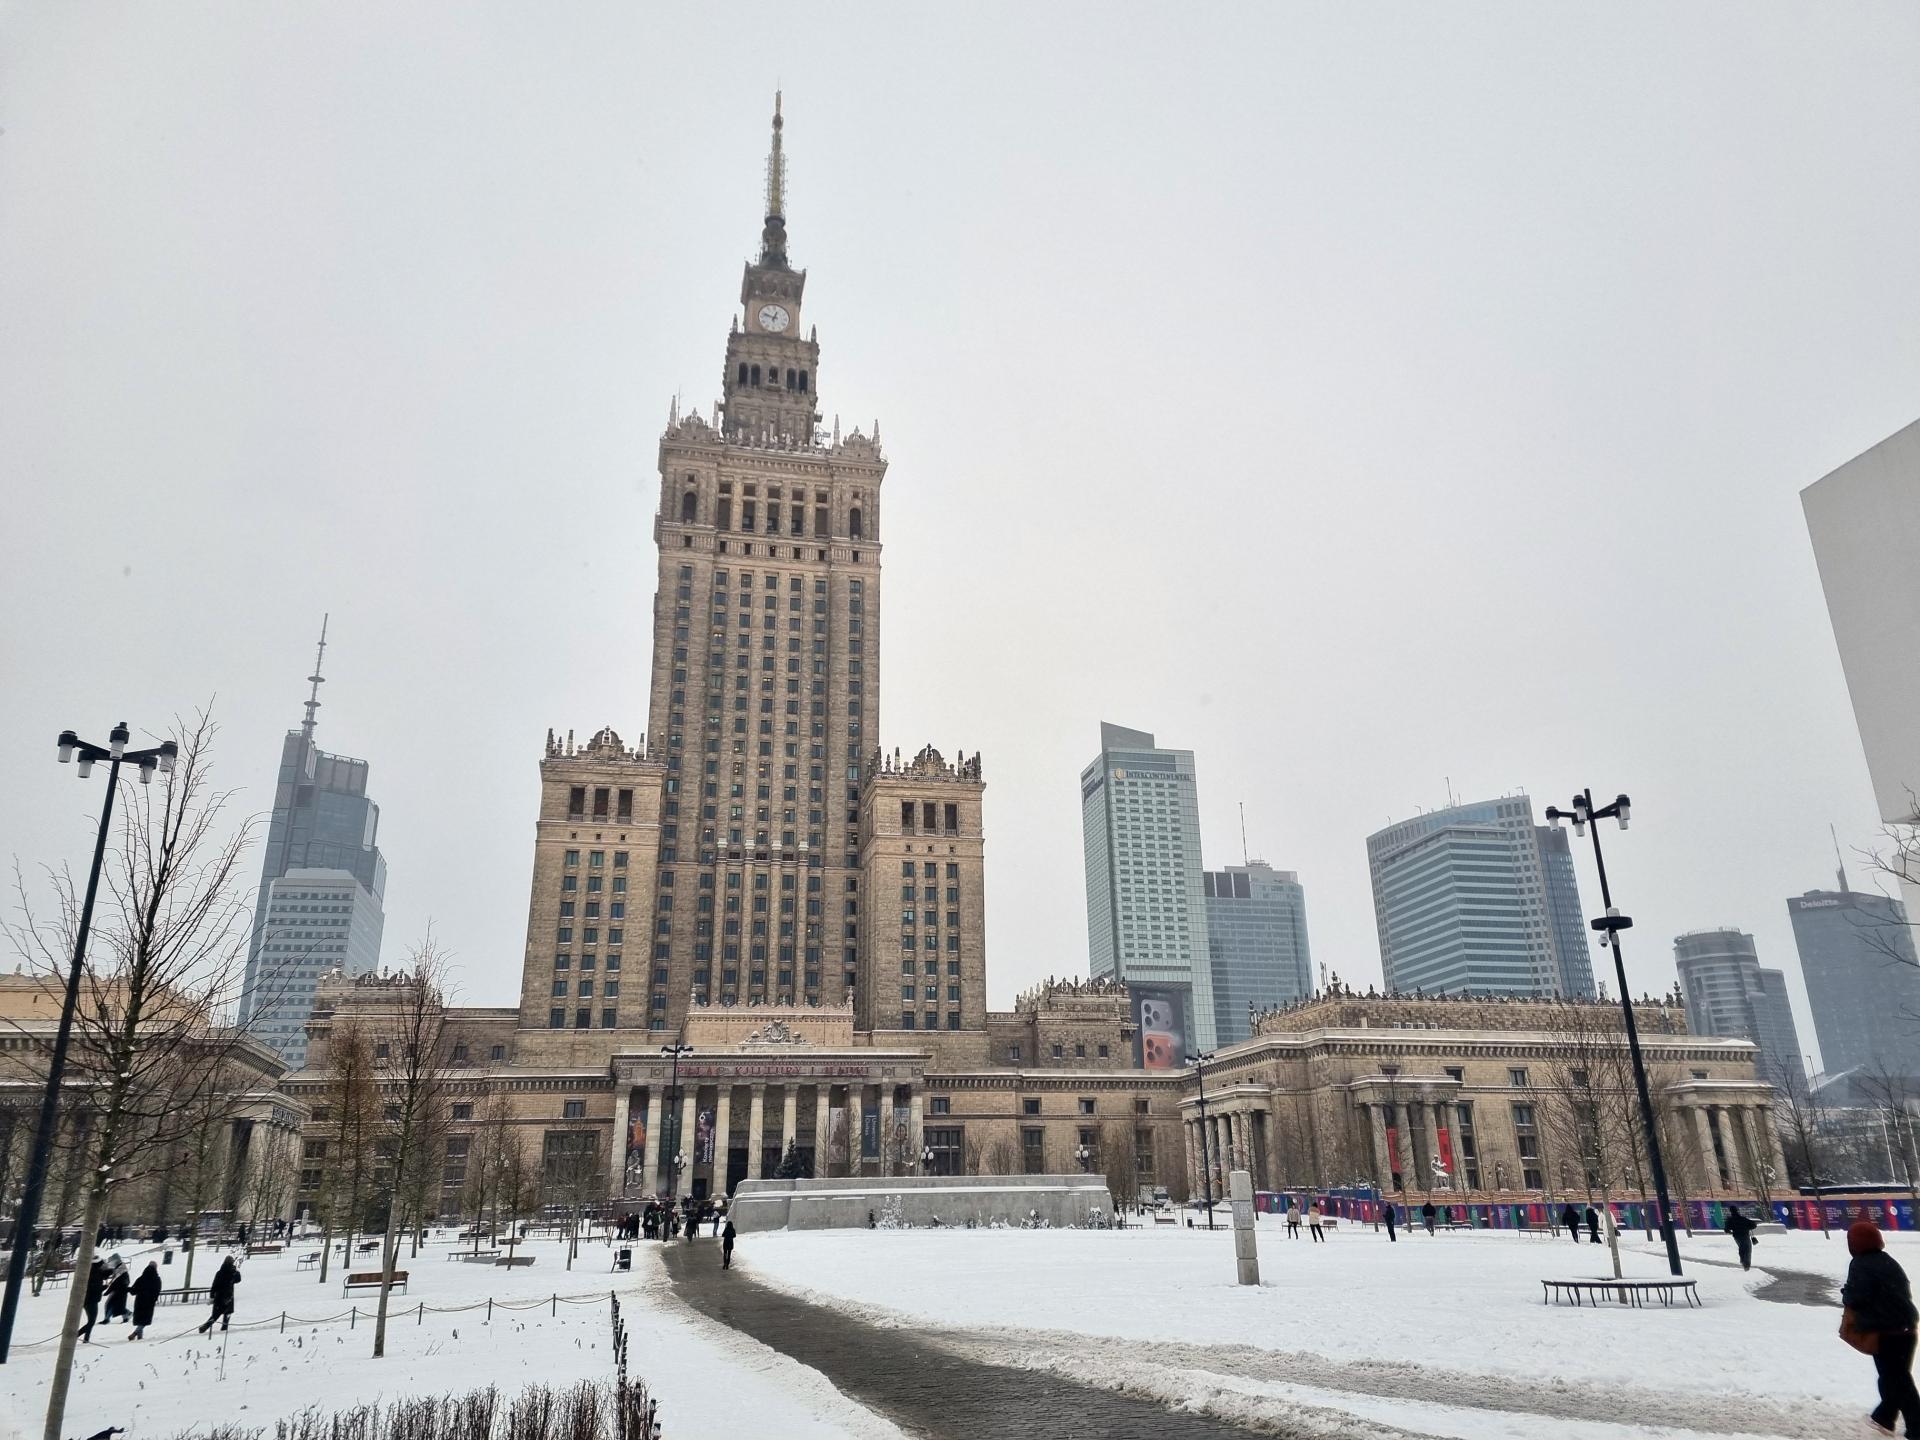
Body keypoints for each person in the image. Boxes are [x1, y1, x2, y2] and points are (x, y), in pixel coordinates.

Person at [1842, 1219, 1920, 1436]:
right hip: (1907, 1329)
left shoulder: (1860, 1264)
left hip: (1886, 1332)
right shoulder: (1888, 1261)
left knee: (1898, 1381)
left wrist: (1846, 1293)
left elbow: (1857, 1297)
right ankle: (1884, 1418)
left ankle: (1916, 1428)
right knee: (1895, 1378)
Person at [198, 1256, 241, 1335]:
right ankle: (224, 1328)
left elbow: (214, 1285)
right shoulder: (233, 1272)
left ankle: (205, 1327)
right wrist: (236, 1272)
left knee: (216, 1314)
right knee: (227, 1313)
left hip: (219, 1296)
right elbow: (238, 1280)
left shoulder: (220, 1272)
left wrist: (212, 1296)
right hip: (229, 1296)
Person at [130, 1260, 162, 1340]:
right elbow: (157, 1291)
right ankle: (134, 1334)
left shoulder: (141, 1278)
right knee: (145, 1320)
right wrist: (154, 1299)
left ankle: (140, 1337)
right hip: (149, 1302)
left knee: (141, 1319)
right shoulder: (157, 1279)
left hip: (139, 1301)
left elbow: (133, 1291)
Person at [78, 1259, 107, 1344]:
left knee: (91, 1320)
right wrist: (104, 1287)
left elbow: (103, 1276)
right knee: (91, 1321)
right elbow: (94, 1288)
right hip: (91, 1300)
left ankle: (86, 1339)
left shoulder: (93, 1271)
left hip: (90, 1299)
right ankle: (76, 1335)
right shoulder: (95, 1274)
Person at [1724, 1205, 1758, 1271]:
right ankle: (1747, 1264)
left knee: (1741, 1247)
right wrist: (1747, 1227)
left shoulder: (1730, 1220)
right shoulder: (1743, 1218)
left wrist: (1731, 1232)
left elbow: (1726, 1230)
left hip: (1737, 1236)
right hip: (1745, 1235)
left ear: (1730, 1211)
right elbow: (1753, 1225)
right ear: (1737, 1210)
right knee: (1748, 1249)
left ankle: (1743, 1260)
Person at [106, 1258, 131, 1324]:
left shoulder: (120, 1272)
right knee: (115, 1305)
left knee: (113, 1305)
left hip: (119, 1292)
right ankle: (126, 1316)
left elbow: (116, 1283)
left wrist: (108, 1291)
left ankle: (107, 1319)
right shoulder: (120, 1271)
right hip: (119, 1292)